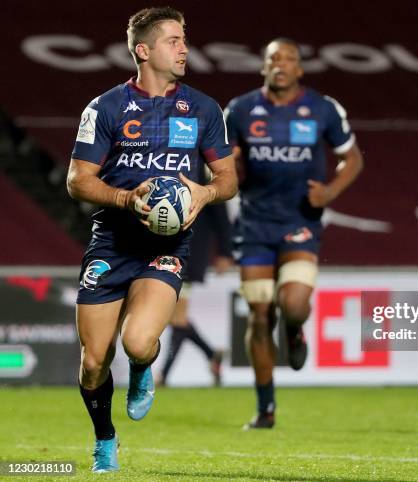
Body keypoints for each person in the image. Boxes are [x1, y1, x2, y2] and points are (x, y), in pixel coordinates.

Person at [66, 7, 236, 472]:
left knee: (139, 343)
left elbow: (228, 180)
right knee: (93, 362)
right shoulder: (105, 108)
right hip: (111, 244)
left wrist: (204, 191)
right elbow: (78, 181)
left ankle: (142, 370)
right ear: (144, 50)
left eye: (185, 40)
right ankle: (104, 438)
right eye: (174, 41)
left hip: (166, 246)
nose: (185, 49)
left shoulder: (203, 109)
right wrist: (126, 200)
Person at [224, 38, 364, 429]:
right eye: (273, 59)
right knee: (258, 313)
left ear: (300, 69)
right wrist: (226, 166)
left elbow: (352, 158)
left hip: (300, 221)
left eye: (288, 59)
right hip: (254, 224)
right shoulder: (239, 109)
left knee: (295, 304)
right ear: (264, 67)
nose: (281, 64)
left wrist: (331, 192)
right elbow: (215, 164)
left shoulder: (322, 108)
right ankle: (266, 407)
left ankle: (296, 330)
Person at [157, 200, 233, 387]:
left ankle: (163, 376)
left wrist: (225, 251)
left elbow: (220, 214)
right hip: (163, 249)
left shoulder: (204, 173)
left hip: (189, 251)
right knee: (174, 318)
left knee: (177, 318)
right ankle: (211, 355)